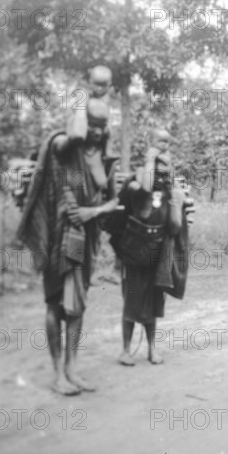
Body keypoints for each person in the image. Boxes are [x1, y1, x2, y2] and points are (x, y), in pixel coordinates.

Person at [17, 67, 118, 395]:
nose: (98, 133)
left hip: (84, 238)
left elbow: (112, 203)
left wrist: (93, 211)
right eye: (94, 125)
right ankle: (58, 372)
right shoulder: (65, 144)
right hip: (58, 236)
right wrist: (80, 101)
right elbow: (74, 135)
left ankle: (73, 369)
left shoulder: (103, 160)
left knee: (78, 304)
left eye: (103, 128)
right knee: (56, 303)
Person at [110, 128, 190, 366]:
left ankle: (152, 349)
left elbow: (175, 227)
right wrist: (150, 158)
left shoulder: (170, 189)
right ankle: (125, 350)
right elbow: (145, 188)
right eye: (159, 141)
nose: (164, 145)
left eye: (167, 141)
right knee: (132, 301)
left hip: (158, 251)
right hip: (135, 250)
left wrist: (175, 199)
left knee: (155, 302)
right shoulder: (137, 181)